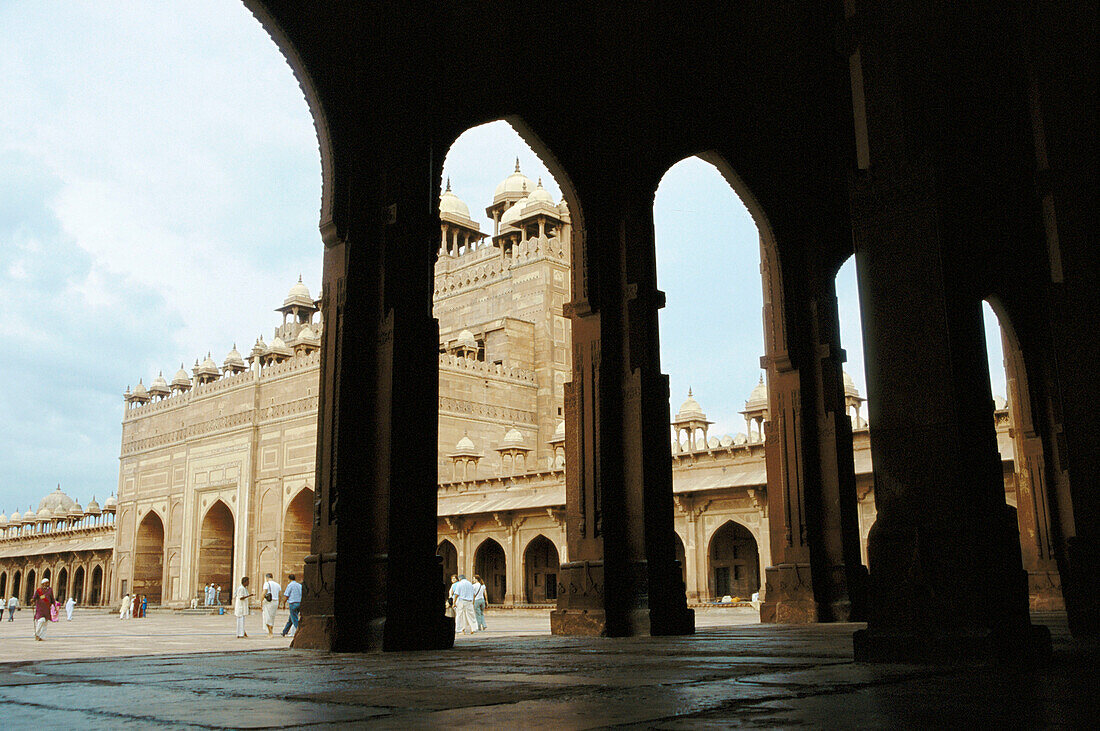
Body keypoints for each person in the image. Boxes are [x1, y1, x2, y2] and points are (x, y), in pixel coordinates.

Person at [260, 573, 280, 637]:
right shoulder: (277, 584)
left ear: (267, 578)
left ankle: (270, 633)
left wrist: (261, 602)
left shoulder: (266, 584)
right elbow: (279, 595)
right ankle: (271, 631)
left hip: (269, 602)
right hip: (275, 602)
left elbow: (264, 593)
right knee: (272, 617)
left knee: (266, 617)